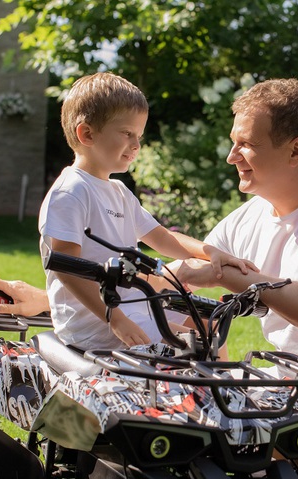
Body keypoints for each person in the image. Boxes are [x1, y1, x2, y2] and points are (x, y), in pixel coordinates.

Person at [0, 78, 298, 479]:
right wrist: (48, 300)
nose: (231, 157)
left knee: (291, 460)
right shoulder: (247, 219)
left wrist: (245, 281)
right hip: (282, 384)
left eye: (245, 144)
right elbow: (171, 285)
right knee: (194, 447)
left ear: (296, 151)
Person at [38, 72, 255, 351]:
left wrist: (210, 253)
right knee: (199, 343)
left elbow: (162, 238)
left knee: (209, 322)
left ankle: (211, 393)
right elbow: (67, 268)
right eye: (127, 133)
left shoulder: (118, 191)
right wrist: (114, 318)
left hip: (128, 305)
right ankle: (213, 392)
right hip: (93, 324)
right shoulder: (71, 192)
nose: (136, 145)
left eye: (138, 135)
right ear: (87, 133)